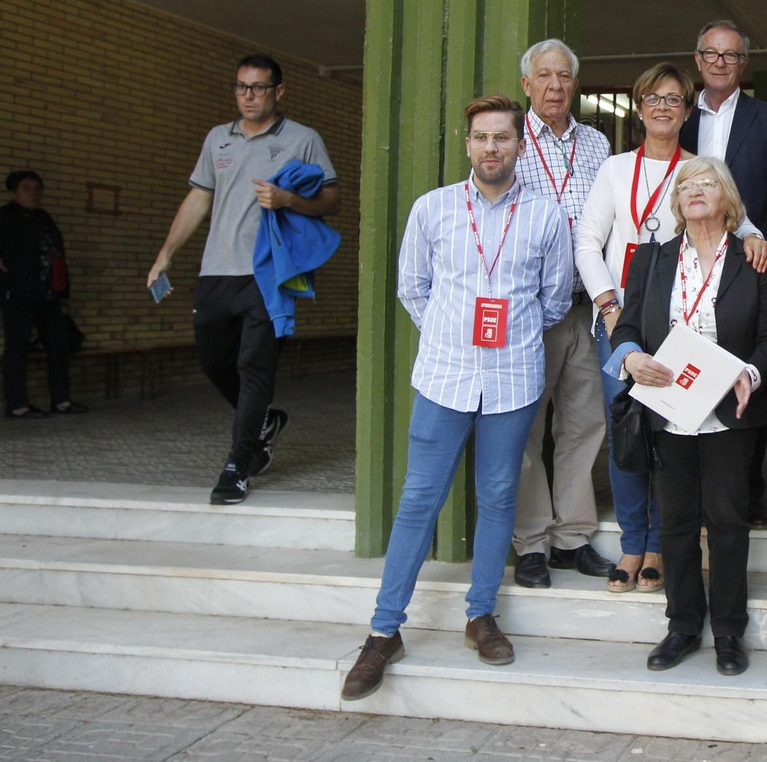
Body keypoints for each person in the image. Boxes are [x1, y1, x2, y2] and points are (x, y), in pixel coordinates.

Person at [340, 95, 573, 702]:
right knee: (420, 498)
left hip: (514, 379)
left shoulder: (547, 216)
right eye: (481, 138)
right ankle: (383, 631)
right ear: (466, 144)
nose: (491, 148)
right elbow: (412, 288)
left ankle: (480, 615)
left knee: (498, 496)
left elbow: (553, 302)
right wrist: (452, 334)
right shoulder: (433, 210)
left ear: (520, 144)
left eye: (502, 137)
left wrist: (504, 339)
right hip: (444, 376)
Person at [577, 62, 767, 594]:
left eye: (673, 99)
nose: (662, 107)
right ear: (639, 109)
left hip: (685, 330)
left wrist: (753, 237)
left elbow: (737, 215)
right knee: (630, 430)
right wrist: (609, 308)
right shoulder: (617, 169)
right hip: (625, 323)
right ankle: (633, 540)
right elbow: (587, 241)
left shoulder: (699, 170)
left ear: (688, 112)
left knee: (673, 431)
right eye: (652, 99)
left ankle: (662, 543)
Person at [606, 157, 767, 676]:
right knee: (677, 522)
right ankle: (682, 624)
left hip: (729, 409)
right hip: (668, 406)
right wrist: (631, 357)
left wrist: (750, 373)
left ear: (728, 200)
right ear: (677, 202)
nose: (696, 191)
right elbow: (627, 326)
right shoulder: (652, 259)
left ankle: (728, 630)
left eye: (708, 183)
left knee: (728, 520)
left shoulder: (755, 260)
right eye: (687, 185)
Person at [146, 54, 340, 504]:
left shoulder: (302, 139)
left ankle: (237, 465)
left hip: (268, 273)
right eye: (241, 87)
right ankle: (264, 422)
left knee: (255, 367)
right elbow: (198, 199)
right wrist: (165, 255)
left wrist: (289, 198)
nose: (248, 96)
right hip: (216, 270)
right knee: (214, 360)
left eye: (258, 87)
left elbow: (331, 199)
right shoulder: (219, 139)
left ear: (278, 92)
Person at [678, 19, 767, 529]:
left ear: (743, 63)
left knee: (745, 369)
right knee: (692, 366)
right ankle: (695, 491)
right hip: (690, 261)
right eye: (711, 53)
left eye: (731, 55)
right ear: (699, 60)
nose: (720, 62)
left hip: (751, 262)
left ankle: (749, 492)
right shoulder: (679, 117)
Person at [508, 38, 617, 589]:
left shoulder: (597, 144)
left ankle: (573, 537)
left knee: (584, 422)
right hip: (531, 311)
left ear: (575, 85)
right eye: (544, 76)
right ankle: (530, 541)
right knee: (527, 428)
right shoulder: (509, 141)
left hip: (587, 308)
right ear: (527, 84)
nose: (555, 86)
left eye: (564, 77)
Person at [0, 171, 83, 418]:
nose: (33, 193)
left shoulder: (44, 218)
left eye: (37, 188)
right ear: (13, 192)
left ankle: (61, 401)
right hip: (17, 294)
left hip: (49, 295)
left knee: (58, 345)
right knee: (17, 347)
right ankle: (17, 406)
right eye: (26, 188)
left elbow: (57, 256)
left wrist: (64, 293)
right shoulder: (0, 216)